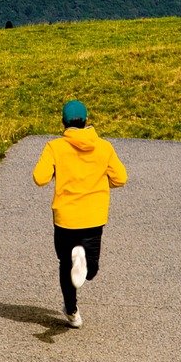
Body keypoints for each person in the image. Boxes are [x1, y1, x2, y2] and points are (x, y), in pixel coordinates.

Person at [32, 100, 127, 328]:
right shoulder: (104, 147)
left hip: (65, 219)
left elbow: (39, 178)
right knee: (90, 270)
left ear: (63, 122)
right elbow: (120, 178)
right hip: (93, 217)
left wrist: (57, 171)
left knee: (66, 265)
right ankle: (82, 261)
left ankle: (72, 311)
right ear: (86, 120)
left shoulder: (55, 147)